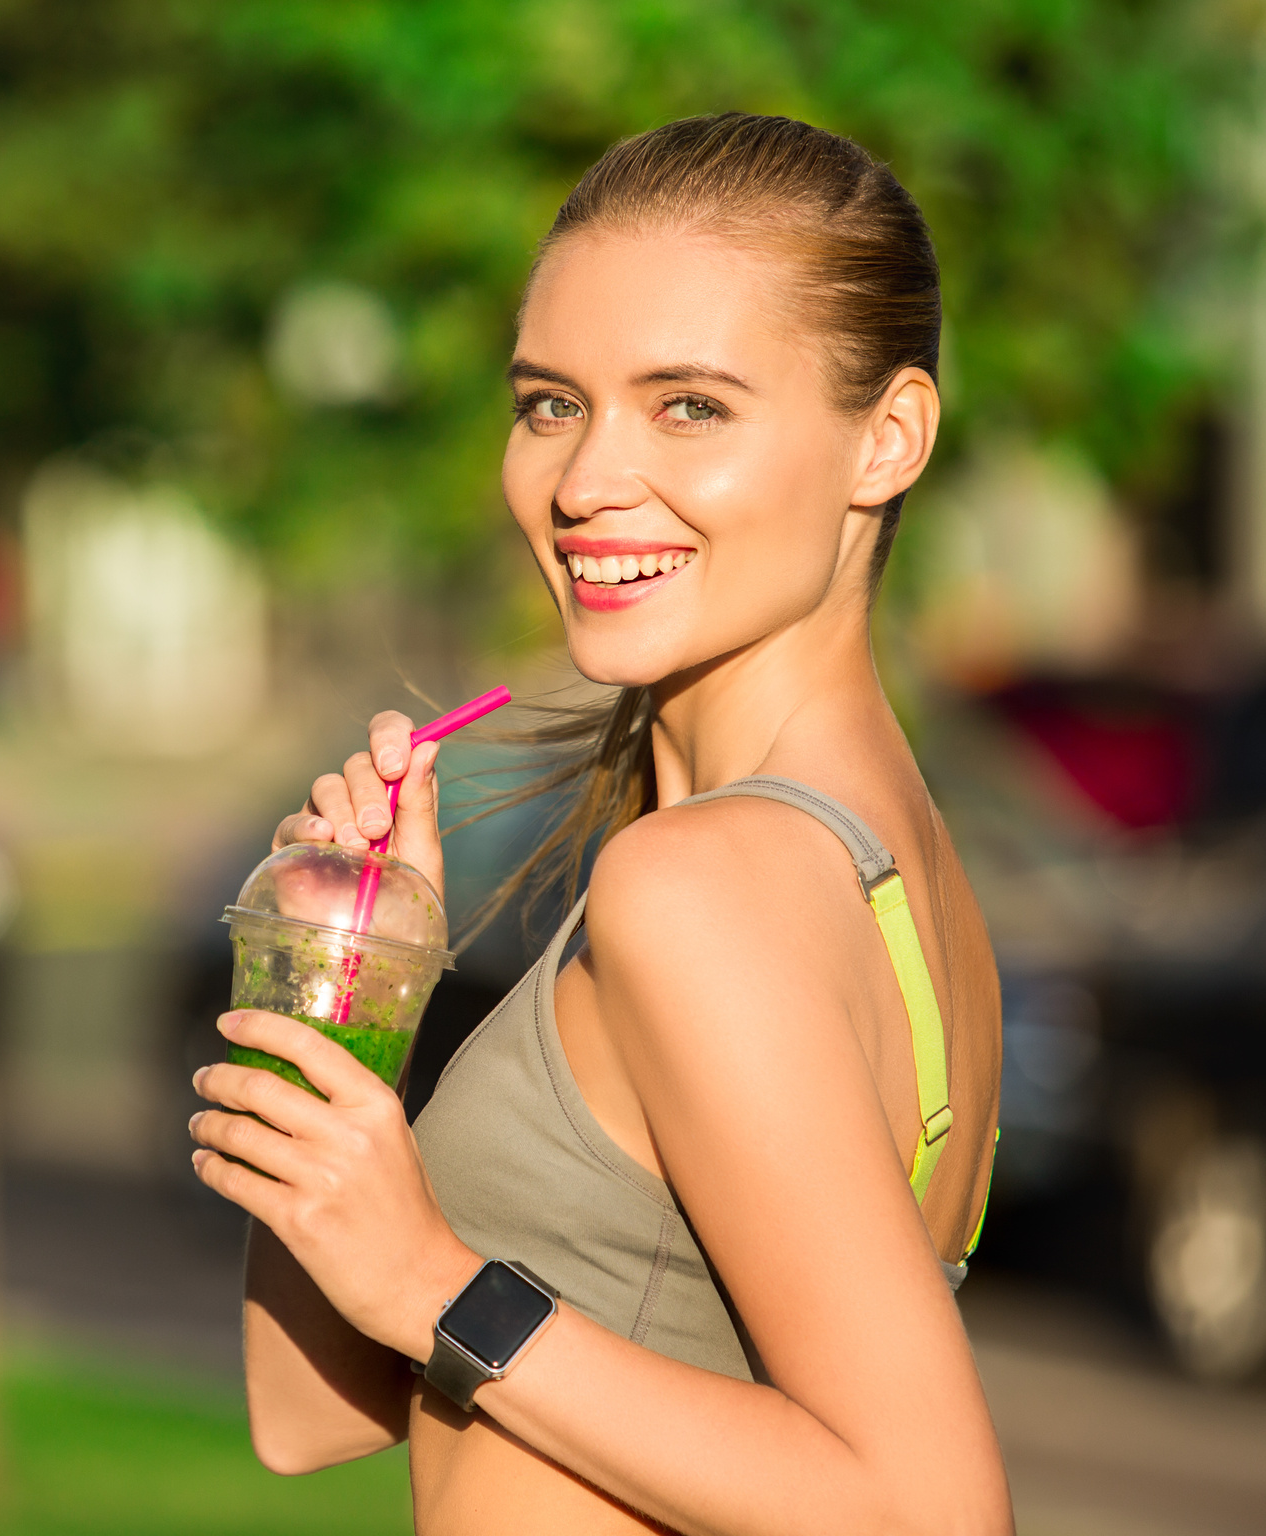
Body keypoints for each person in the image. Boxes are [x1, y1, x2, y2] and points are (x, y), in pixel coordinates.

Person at [188, 113, 1010, 1535]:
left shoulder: (703, 885)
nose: (580, 483)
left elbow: (929, 1510)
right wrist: (359, 981)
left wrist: (433, 1282)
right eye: (550, 403)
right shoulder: (886, 866)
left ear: (888, 439)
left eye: (689, 405)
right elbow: (311, 1413)